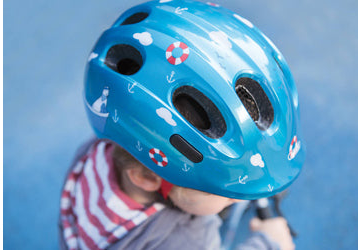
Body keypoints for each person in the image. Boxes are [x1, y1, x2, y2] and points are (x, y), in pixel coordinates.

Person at [60, 1, 301, 249]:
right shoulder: (187, 239)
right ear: (146, 177)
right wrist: (270, 243)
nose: (237, 198)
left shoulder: (97, 152)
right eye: (228, 197)